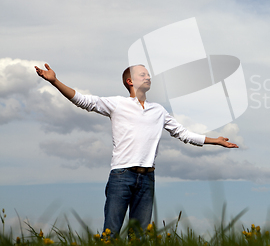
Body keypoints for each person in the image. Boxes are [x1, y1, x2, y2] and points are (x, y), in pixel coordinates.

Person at [34, 63, 238, 237]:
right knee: (111, 233)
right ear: (130, 81)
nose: (148, 77)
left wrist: (215, 141)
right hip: (122, 176)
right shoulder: (117, 104)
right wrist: (54, 81)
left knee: (139, 236)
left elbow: (182, 133)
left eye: (148, 74)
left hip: (147, 179)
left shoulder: (158, 110)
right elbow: (83, 100)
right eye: (143, 74)